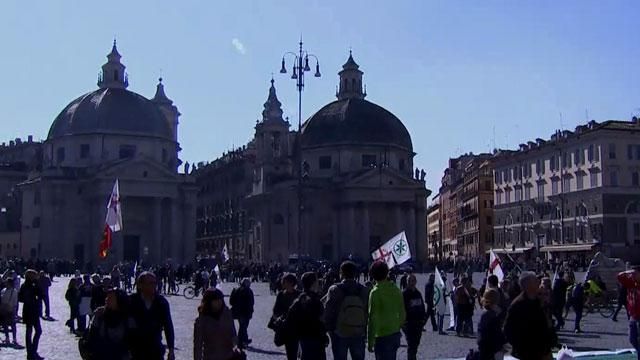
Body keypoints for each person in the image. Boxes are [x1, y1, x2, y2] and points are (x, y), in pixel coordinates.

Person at [503, 271, 556, 360]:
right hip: (528, 352)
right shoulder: (518, 305)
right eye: (535, 281)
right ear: (528, 285)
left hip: (544, 349)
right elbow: (508, 330)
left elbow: (546, 321)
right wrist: (520, 347)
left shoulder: (538, 300)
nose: (538, 283)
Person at [323, 261, 368, 360]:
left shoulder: (334, 289)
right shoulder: (364, 290)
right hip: (358, 331)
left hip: (339, 332)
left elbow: (328, 312)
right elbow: (367, 312)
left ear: (341, 273)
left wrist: (328, 330)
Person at [128, 272, 175, 360]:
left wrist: (171, 349)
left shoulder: (161, 302)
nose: (152, 286)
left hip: (155, 349)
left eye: (154, 283)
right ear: (140, 285)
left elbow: (168, 326)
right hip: (135, 351)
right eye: (149, 283)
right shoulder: (131, 301)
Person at [367, 261, 405, 360]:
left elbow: (372, 318)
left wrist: (370, 341)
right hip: (395, 334)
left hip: (382, 336)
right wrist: (397, 326)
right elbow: (402, 314)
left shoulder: (375, 292)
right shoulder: (396, 290)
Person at [287, 272, 328, 360]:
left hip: (303, 338)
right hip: (316, 339)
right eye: (317, 282)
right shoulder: (315, 301)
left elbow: (290, 318)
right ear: (313, 284)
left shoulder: (298, 299)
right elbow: (322, 320)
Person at [84, 288, 131, 360]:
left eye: (111, 298)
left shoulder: (128, 317)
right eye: (107, 297)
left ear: (119, 300)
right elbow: (92, 338)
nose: (106, 299)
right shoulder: (99, 315)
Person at [193, 288, 238, 360]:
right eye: (216, 300)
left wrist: (235, 343)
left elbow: (233, 332)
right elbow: (198, 345)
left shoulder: (227, 313)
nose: (219, 302)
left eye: (221, 299)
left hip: (228, 356)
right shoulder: (201, 320)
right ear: (208, 302)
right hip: (211, 357)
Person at [271, 273, 300, 360]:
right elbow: (275, 310)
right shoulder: (281, 295)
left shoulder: (299, 294)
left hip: (297, 327)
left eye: (284, 282)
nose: (282, 283)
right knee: (291, 353)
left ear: (291, 283)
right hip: (286, 327)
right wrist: (279, 318)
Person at [19, 269, 44, 360]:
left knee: (33, 331)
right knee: (33, 331)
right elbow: (41, 294)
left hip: (30, 310)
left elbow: (21, 298)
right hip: (31, 310)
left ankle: (32, 351)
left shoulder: (26, 285)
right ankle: (31, 352)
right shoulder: (31, 285)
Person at [617, 266, 640, 359]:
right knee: (632, 339)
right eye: (632, 274)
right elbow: (619, 276)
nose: (632, 275)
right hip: (633, 316)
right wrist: (629, 271)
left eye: (635, 274)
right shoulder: (630, 282)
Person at [477, 289, 507, 360]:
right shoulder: (494, 314)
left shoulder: (486, 314)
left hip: (486, 348)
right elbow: (497, 333)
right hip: (493, 349)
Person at [402, 274, 426, 360]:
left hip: (418, 324)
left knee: (415, 345)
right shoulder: (404, 294)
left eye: (413, 281)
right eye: (409, 281)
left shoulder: (418, 293)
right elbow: (401, 309)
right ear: (407, 282)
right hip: (409, 324)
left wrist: (423, 321)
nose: (411, 283)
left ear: (415, 282)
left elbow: (422, 307)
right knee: (411, 345)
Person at [229, 278, 255, 348]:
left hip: (237, 311)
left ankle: (245, 339)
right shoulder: (248, 291)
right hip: (245, 312)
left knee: (242, 326)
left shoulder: (235, 289)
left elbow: (231, 301)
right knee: (243, 327)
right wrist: (250, 311)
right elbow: (251, 302)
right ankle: (241, 342)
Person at [1, 276, 19, 346]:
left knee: (12, 325)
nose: (6, 284)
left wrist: (14, 310)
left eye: (7, 282)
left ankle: (14, 338)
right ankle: (7, 338)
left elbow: (15, 301)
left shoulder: (14, 291)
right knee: (5, 325)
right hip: (3, 310)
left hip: (10, 309)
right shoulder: (3, 290)